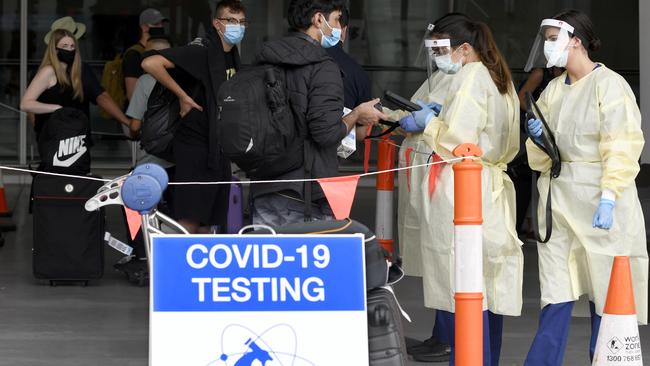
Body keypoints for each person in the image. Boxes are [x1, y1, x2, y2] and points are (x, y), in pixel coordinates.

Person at [523, 10, 647, 365]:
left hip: (599, 199)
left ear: (576, 40)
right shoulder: (552, 92)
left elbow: (622, 146)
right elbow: (541, 159)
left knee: (606, 291)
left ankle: (604, 358)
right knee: (556, 287)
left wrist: (609, 198)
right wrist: (539, 142)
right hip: (560, 200)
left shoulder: (609, 85)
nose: (547, 48)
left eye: (552, 39)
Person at [402, 15, 522, 365]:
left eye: (441, 49)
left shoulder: (470, 75)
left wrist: (431, 123)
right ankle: (487, 358)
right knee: (487, 285)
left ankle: (470, 358)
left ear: (464, 48)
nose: (437, 57)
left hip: (464, 188)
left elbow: (458, 139)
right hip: (488, 187)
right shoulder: (496, 74)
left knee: (465, 283)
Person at [249, 0, 387, 227]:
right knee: (304, 261)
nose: (338, 29)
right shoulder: (324, 66)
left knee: (268, 260)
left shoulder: (264, 58)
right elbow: (326, 133)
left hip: (264, 184)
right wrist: (356, 115)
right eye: (335, 20)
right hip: (304, 191)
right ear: (318, 19)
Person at [142, 0, 246, 234]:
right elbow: (150, 62)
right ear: (217, 24)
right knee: (190, 219)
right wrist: (182, 96)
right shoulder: (201, 51)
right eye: (231, 21)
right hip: (195, 146)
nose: (237, 27)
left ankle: (199, 268)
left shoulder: (231, 56)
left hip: (218, 148)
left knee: (210, 220)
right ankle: (178, 267)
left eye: (241, 22)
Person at [20, 24, 130, 141]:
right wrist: (56, 110)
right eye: (65, 46)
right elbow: (27, 104)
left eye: (72, 46)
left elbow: (101, 96)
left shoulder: (78, 70)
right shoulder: (47, 71)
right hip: (55, 137)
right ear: (55, 49)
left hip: (77, 137)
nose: (69, 50)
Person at [324, 6, 373, 141]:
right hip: (332, 154)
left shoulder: (292, 59)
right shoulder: (358, 74)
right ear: (344, 31)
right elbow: (361, 133)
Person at [123, 8, 168, 101]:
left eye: (162, 23)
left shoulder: (162, 50)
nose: (160, 27)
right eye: (156, 24)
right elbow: (132, 94)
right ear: (144, 27)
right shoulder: (133, 55)